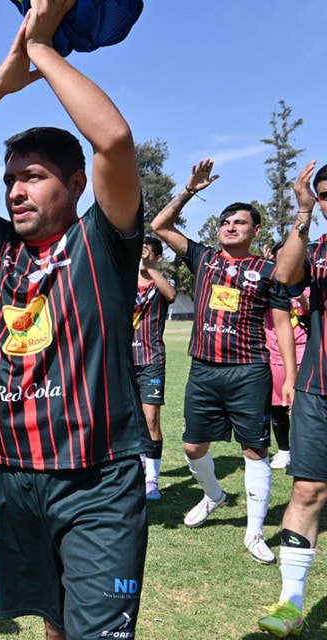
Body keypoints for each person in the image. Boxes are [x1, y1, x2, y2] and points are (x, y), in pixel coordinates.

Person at [0, 2, 149, 637]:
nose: (15, 190)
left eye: (34, 177)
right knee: (52, 623)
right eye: (9, 179)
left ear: (75, 185)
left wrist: (43, 49)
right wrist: (1, 80)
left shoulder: (104, 240)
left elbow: (115, 140)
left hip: (98, 479)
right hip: (19, 478)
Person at [151, 158, 295, 565]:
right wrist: (189, 191)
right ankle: (214, 495)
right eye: (225, 222)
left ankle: (253, 532)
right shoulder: (205, 259)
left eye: (240, 223)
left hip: (249, 371)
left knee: (254, 450)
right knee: (194, 446)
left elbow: (283, 324)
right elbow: (160, 227)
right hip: (203, 369)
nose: (230, 227)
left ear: (256, 230)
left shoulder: (267, 270)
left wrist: (290, 376)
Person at [259, 160, 327, 637]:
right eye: (324, 194)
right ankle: (290, 603)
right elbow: (284, 276)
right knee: (307, 491)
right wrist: (302, 213)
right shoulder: (317, 251)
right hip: (318, 387)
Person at [132, 236, 176, 500]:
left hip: (151, 359)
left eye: (147, 252)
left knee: (151, 419)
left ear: (158, 257)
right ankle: (135, 471)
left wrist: (150, 268)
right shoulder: (125, 280)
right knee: (128, 420)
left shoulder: (159, 284)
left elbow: (171, 295)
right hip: (123, 359)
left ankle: (152, 480)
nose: (142, 254)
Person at [262, 242, 309, 472]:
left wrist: (299, 297)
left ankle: (304, 451)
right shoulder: (267, 284)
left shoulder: (306, 284)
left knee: (302, 407)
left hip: (302, 352)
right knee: (277, 407)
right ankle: (284, 451)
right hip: (273, 353)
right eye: (279, 257)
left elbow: (311, 311)